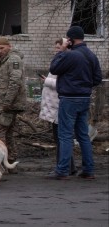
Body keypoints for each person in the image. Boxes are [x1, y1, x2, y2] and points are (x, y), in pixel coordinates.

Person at [48, 26, 103, 180]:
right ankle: (88, 170)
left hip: (69, 98)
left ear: (71, 40)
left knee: (65, 135)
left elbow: (54, 68)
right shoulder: (91, 55)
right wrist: (84, 86)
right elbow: (97, 78)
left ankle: (62, 170)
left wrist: (62, 51)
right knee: (83, 135)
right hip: (85, 98)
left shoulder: (70, 55)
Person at [39, 39, 77, 176]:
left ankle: (63, 166)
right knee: (60, 138)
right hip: (54, 104)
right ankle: (69, 165)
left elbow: (63, 83)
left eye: (59, 46)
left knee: (61, 138)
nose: (56, 49)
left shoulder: (65, 61)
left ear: (65, 46)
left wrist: (47, 81)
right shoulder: (61, 59)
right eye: (55, 47)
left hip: (58, 104)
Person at [0, 36, 25, 165]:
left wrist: (7, 102)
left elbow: (15, 82)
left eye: (2, 48)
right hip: (7, 103)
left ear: (9, 46)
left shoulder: (13, 60)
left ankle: (0, 163)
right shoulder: (3, 60)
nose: (0, 50)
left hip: (10, 104)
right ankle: (11, 160)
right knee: (9, 133)